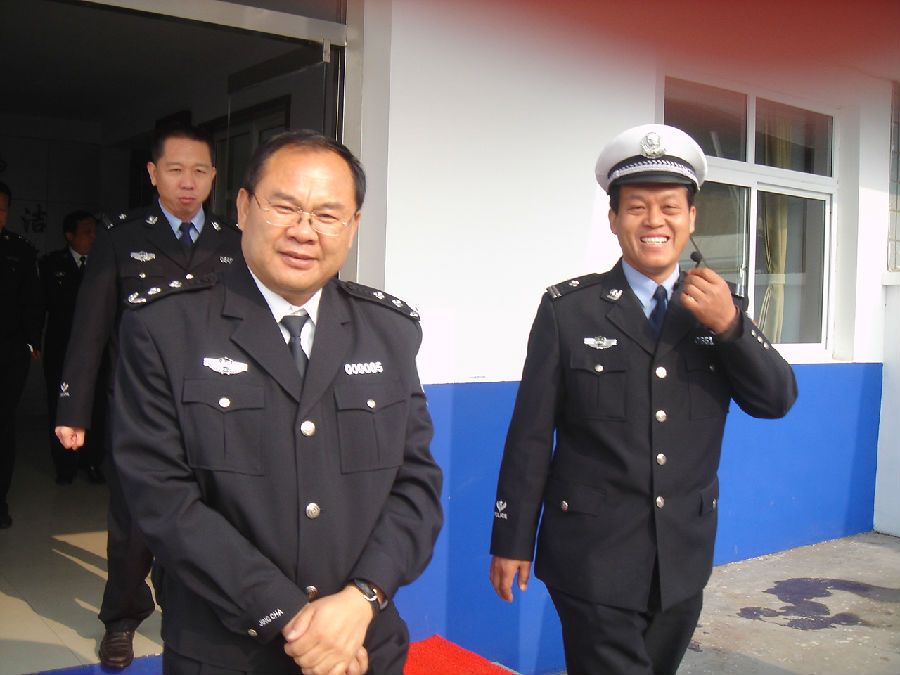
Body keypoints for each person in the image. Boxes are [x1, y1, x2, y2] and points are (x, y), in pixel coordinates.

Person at [111, 130, 443, 675]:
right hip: (226, 653)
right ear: (244, 208)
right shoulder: (166, 327)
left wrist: (362, 598)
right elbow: (160, 498)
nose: (304, 231)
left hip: (362, 644)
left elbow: (416, 486)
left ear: (353, 225)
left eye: (328, 215)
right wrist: (294, 619)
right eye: (284, 206)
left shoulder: (389, 331)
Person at [489, 124, 798, 675]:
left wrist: (731, 327)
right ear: (613, 220)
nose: (655, 221)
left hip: (682, 558)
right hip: (591, 555)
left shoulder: (719, 308)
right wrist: (512, 539)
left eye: (670, 207)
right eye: (636, 207)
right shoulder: (569, 310)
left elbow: (776, 400)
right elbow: (531, 435)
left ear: (692, 219)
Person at [54, 124, 242, 669]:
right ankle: (122, 617)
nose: (188, 182)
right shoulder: (121, 237)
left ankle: (196, 611)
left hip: (216, 411)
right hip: (140, 410)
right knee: (134, 527)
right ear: (153, 174)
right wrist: (73, 409)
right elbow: (90, 330)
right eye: (176, 170)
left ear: (213, 176)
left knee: (211, 518)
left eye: (200, 171)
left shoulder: (233, 241)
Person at [40, 210, 105, 485]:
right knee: (61, 404)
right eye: (87, 232)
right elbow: (40, 305)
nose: (93, 236)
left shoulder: (103, 263)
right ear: (70, 235)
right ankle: (64, 463)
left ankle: (91, 460)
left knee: (96, 405)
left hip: (97, 349)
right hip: (62, 348)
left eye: (95, 231)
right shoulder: (52, 264)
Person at [0, 181, 43, 529]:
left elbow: (33, 301)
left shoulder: (19, 251)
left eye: (1, 209)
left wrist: (31, 343)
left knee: (3, 425)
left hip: (8, 352)